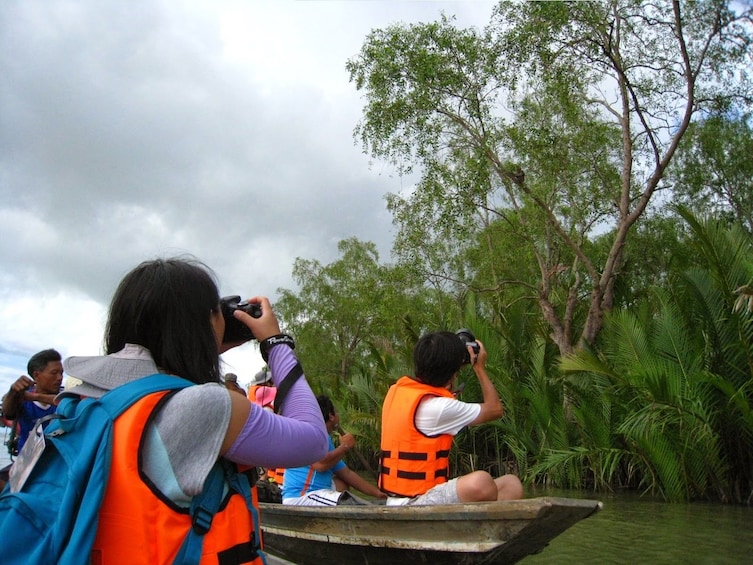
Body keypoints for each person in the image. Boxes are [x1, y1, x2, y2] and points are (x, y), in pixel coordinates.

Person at [58, 257, 329, 563]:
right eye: (218, 311)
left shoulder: (82, 399)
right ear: (205, 322)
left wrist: (200, 345)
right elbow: (314, 440)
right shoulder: (204, 407)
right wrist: (276, 343)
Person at [379, 331, 523, 506]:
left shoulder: (398, 391)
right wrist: (479, 368)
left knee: (511, 484)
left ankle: (479, 530)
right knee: (481, 482)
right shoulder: (439, 407)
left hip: (399, 499)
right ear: (453, 373)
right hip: (416, 502)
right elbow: (495, 409)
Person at [282, 394, 387, 506]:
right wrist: (344, 447)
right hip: (302, 496)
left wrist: (378, 494)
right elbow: (320, 465)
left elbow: (347, 473)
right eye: (336, 412)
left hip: (316, 492)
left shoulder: (324, 437)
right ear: (331, 416)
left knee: (342, 483)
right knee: (348, 501)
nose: (337, 415)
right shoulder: (312, 434)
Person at [0, 348, 64, 489]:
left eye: (61, 373)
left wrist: (34, 396)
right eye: (54, 373)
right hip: (26, 464)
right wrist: (13, 391)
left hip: (58, 465)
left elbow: (64, 402)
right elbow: (8, 411)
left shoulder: (67, 397)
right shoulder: (21, 399)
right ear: (37, 375)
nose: (59, 378)